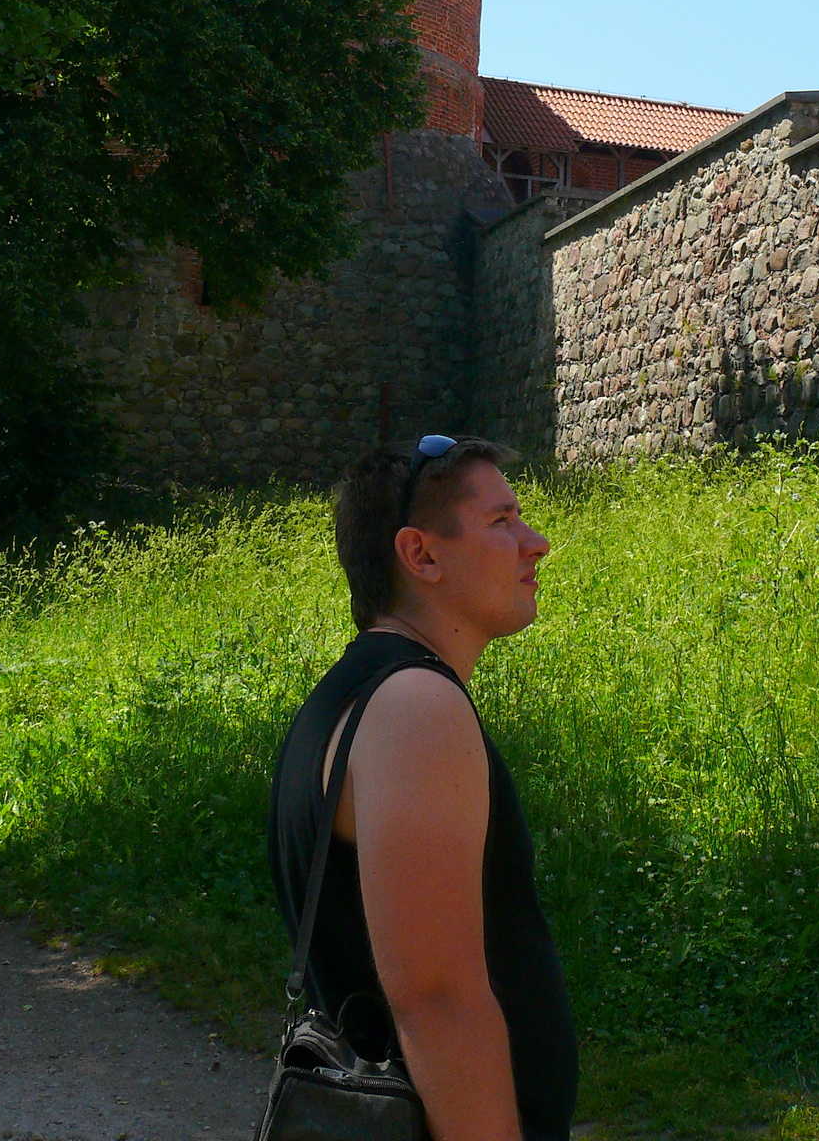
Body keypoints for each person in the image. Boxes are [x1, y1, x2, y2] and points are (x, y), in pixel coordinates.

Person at [267, 435, 577, 1141]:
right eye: (501, 521)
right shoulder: (415, 709)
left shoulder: (354, 697)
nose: (536, 543)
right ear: (421, 555)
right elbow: (436, 1002)